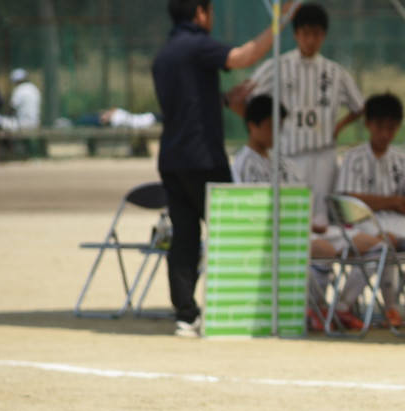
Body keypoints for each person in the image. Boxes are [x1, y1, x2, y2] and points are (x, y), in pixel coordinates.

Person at [153, 0, 284, 337]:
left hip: (171, 159)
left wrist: (224, 99)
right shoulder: (197, 44)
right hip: (202, 158)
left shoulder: (165, 54)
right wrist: (278, 24)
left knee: (184, 236)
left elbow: (187, 103)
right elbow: (243, 57)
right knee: (232, 232)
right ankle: (239, 308)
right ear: (200, 11)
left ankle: (186, 315)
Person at [232, 93, 376, 332]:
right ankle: (313, 308)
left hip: (303, 225)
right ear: (252, 126)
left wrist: (311, 220)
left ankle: (341, 306)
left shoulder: (284, 162)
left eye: (278, 127)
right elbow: (254, 208)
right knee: (324, 250)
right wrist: (302, 222)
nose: (275, 134)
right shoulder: (245, 163)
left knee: (375, 246)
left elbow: (302, 196)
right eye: (269, 127)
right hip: (274, 231)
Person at [243, 2, 364, 231]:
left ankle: (321, 265)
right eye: (306, 33)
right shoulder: (278, 66)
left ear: (324, 36)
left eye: (316, 34)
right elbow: (249, 94)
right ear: (296, 34)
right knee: (292, 214)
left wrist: (339, 125)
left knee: (320, 218)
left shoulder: (335, 72)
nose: (311, 40)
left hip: (323, 154)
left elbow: (359, 105)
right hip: (288, 153)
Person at [333, 91, 405, 329]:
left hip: (401, 224)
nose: (385, 134)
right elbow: (348, 199)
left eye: (391, 128)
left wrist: (398, 203)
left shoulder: (403, 161)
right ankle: (386, 306)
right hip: (364, 224)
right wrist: (393, 201)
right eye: (380, 127)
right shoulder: (353, 158)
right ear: (368, 124)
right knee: (385, 243)